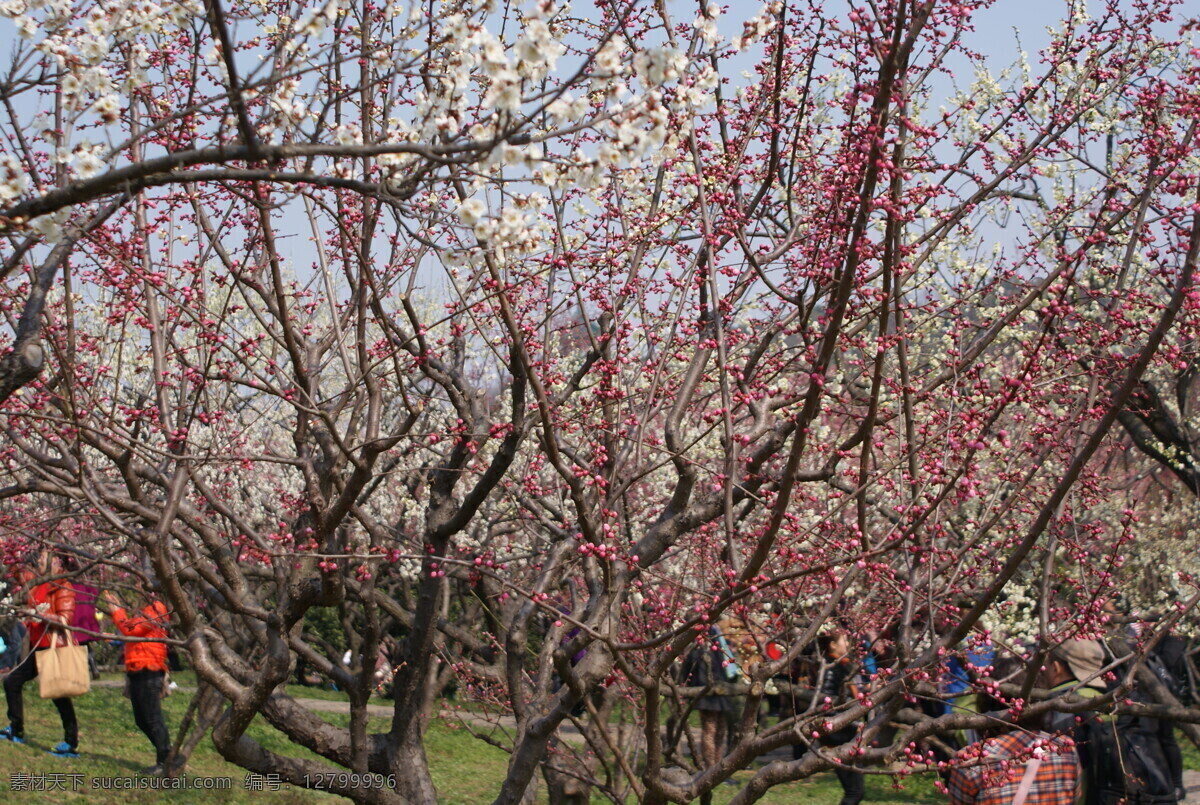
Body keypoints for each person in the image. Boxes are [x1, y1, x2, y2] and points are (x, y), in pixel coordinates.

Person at [0, 550, 80, 757]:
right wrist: (6, 549)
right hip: (39, 648)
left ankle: (71, 743)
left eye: (44, 558)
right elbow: (18, 573)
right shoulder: (38, 582)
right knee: (12, 682)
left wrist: (40, 614)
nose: (39, 560)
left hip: (54, 648)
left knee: (59, 695)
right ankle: (16, 730)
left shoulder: (62, 587)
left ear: (57, 563)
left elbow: (65, 620)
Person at [99, 588, 172, 775]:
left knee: (153, 719)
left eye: (142, 585)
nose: (138, 589)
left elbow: (130, 629)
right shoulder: (145, 609)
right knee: (142, 720)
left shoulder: (156, 609)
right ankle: (167, 756)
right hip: (138, 669)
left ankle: (165, 761)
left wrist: (116, 611)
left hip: (149, 669)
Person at [813, 630, 864, 805]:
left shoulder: (839, 665)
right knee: (854, 792)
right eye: (844, 640)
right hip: (837, 736)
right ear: (833, 645)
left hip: (842, 733)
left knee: (855, 791)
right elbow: (826, 704)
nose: (848, 644)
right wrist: (853, 723)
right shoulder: (831, 668)